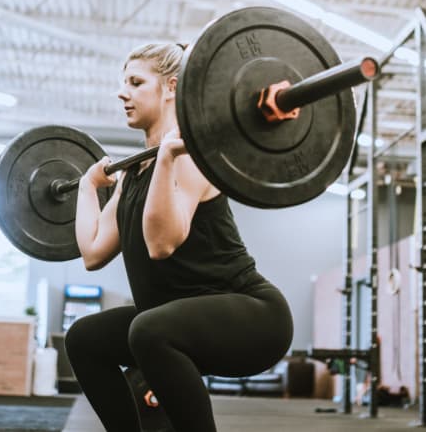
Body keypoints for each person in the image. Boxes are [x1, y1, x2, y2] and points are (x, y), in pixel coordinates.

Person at [65, 42, 294, 432]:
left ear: (171, 86)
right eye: (124, 84)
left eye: (136, 82)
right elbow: (93, 252)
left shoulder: (190, 157)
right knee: (85, 338)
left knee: (149, 329)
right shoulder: (133, 173)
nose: (123, 93)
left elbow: (161, 243)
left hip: (254, 318)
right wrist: (88, 186)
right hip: (175, 320)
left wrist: (168, 157)